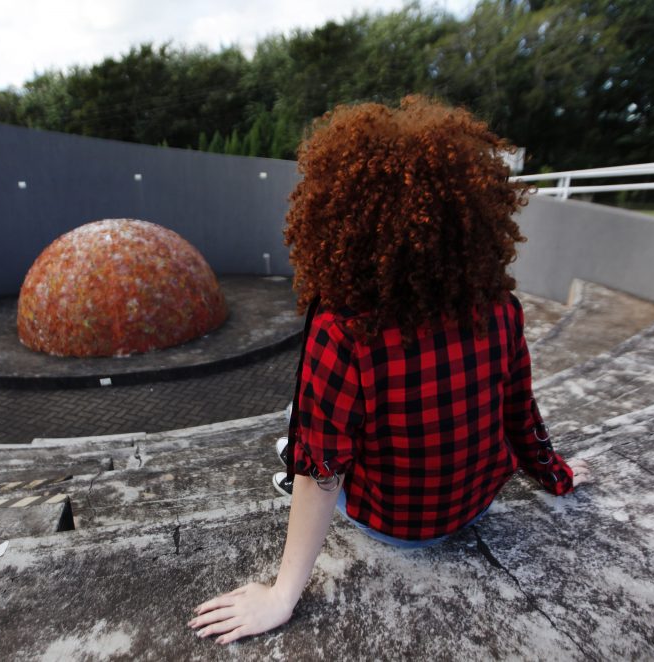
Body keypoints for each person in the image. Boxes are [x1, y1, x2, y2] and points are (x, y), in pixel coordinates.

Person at [187, 96, 590, 645]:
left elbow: (322, 471)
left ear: (339, 218)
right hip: (476, 504)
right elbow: (521, 410)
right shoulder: (501, 306)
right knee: (332, 419)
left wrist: (282, 596)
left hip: (398, 529)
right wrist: (555, 475)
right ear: (471, 217)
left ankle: (288, 457)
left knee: (301, 421)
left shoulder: (345, 330)